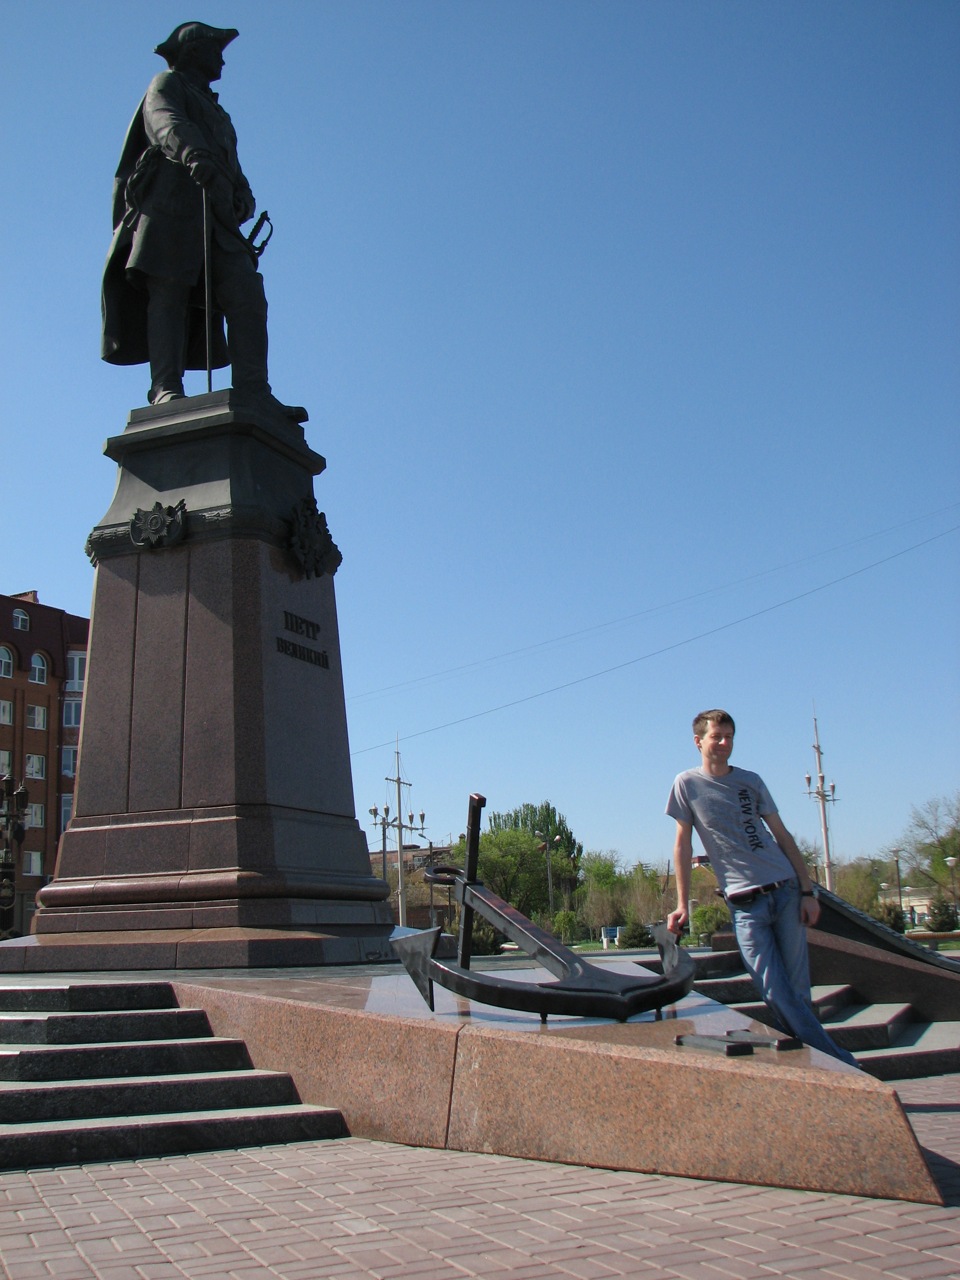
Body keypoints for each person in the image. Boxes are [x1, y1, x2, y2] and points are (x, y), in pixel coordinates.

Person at [101, 22, 281, 410]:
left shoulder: (219, 112)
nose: (222, 58)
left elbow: (231, 163)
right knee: (169, 291)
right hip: (172, 205)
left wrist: (242, 195)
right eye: (215, 49)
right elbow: (166, 123)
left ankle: (254, 391)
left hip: (215, 215)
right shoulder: (166, 84)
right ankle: (165, 387)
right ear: (194, 51)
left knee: (247, 293)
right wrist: (194, 155)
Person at [665, 709, 858, 1066]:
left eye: (729, 738)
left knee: (798, 993)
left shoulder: (751, 781)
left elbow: (782, 837)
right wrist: (682, 904)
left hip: (784, 890)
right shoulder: (686, 784)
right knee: (774, 992)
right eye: (716, 737)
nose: (724, 744)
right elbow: (683, 845)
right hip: (745, 905)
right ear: (698, 741)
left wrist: (806, 891)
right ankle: (842, 1063)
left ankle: (820, 1069)